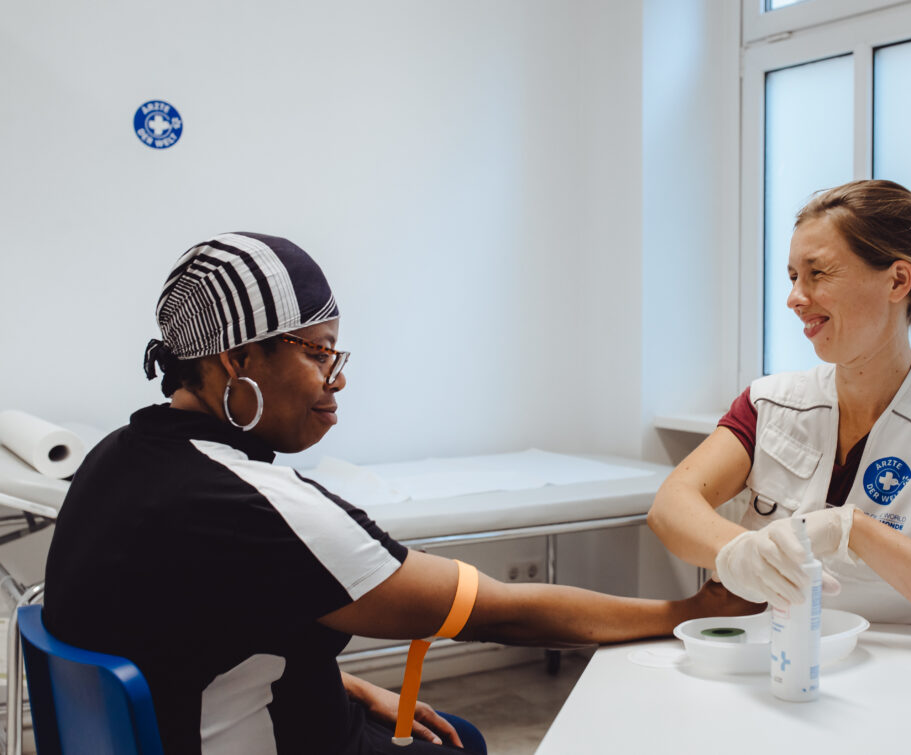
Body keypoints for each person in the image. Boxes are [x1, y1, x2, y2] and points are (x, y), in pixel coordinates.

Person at [43, 232, 756, 755]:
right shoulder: (259, 506)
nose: (337, 379)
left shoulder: (115, 461)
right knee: (463, 745)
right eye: (319, 353)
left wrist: (338, 682)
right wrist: (685, 608)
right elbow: (503, 612)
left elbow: (179, 628)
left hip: (185, 725)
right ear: (237, 359)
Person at [647, 180, 911, 655]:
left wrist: (855, 531)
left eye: (817, 274)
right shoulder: (769, 404)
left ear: (898, 281)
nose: (795, 297)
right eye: (793, 276)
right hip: (770, 668)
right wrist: (741, 551)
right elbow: (671, 505)